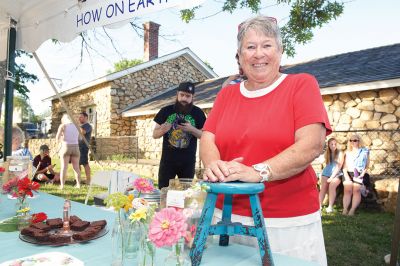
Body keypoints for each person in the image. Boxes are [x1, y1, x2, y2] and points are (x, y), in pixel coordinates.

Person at [201, 15, 331, 265]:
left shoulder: (301, 84)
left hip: (285, 222)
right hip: (223, 216)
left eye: (267, 45)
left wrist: (259, 171)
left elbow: (312, 143)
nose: (258, 54)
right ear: (239, 56)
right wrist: (213, 164)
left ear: (280, 51)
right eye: (250, 47)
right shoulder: (227, 94)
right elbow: (208, 138)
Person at [153, 81, 206, 189]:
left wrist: (191, 129)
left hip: (188, 162)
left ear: (192, 97)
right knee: (164, 192)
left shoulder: (198, 113)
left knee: (187, 194)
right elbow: (155, 134)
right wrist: (164, 129)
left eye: (188, 96)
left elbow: (204, 136)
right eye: (182, 95)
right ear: (177, 94)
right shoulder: (165, 111)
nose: (184, 98)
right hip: (167, 161)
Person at [342, 134, 370, 216]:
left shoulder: (365, 151)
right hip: (348, 173)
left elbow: (367, 165)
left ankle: (352, 210)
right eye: (351, 140)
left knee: (356, 189)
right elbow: (344, 166)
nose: (353, 142)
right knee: (347, 189)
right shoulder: (347, 152)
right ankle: (345, 209)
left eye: (355, 140)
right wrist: (346, 176)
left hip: (360, 173)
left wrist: (362, 174)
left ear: (359, 141)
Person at [318, 137, 344, 213]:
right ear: (328, 145)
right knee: (323, 188)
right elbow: (321, 161)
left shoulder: (340, 153)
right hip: (326, 172)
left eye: (335, 144)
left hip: (336, 173)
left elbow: (339, 166)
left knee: (332, 186)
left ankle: (330, 207)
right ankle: (319, 205)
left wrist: (332, 177)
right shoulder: (327, 152)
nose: (333, 145)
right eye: (332, 144)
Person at [56, 114, 81, 189]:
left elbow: (57, 138)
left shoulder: (63, 126)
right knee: (76, 167)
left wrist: (61, 140)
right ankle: (78, 185)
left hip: (66, 147)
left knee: (64, 167)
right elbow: (79, 138)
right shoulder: (77, 126)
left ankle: (62, 185)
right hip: (76, 147)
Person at [78, 112, 92, 184]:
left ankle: (88, 180)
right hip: (78, 146)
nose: (79, 118)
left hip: (84, 147)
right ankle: (78, 179)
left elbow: (83, 132)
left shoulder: (87, 126)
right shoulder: (80, 126)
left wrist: (78, 126)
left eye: (81, 117)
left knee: (85, 163)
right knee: (77, 164)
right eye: (79, 117)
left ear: (86, 117)